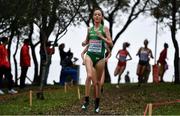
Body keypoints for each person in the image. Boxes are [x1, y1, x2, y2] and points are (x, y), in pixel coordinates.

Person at [81, 7, 113, 113]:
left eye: (99, 14)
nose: (97, 16)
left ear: (102, 17)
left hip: (100, 58)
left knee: (98, 83)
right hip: (89, 55)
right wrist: (84, 43)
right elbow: (86, 40)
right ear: (93, 17)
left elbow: (111, 43)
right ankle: (86, 100)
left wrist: (102, 37)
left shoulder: (105, 29)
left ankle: (97, 103)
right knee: (89, 75)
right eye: (95, 14)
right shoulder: (89, 29)